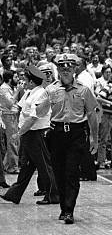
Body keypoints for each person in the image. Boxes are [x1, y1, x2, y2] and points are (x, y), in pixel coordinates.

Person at [46, 54, 98, 224]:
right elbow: (41, 111)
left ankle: (69, 210)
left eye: (69, 68)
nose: (66, 71)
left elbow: (91, 113)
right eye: (62, 68)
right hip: (57, 134)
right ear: (58, 70)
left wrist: (94, 138)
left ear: (75, 69)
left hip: (76, 134)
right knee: (59, 173)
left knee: (71, 172)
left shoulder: (84, 90)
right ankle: (63, 206)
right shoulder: (51, 90)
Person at [0, 66, 59, 205]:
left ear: (32, 82)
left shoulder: (41, 94)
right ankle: (14, 194)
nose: (23, 82)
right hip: (28, 134)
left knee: (44, 165)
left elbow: (33, 118)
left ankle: (53, 195)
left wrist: (18, 133)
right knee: (26, 166)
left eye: (25, 80)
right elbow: (18, 108)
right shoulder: (29, 93)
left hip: (35, 134)